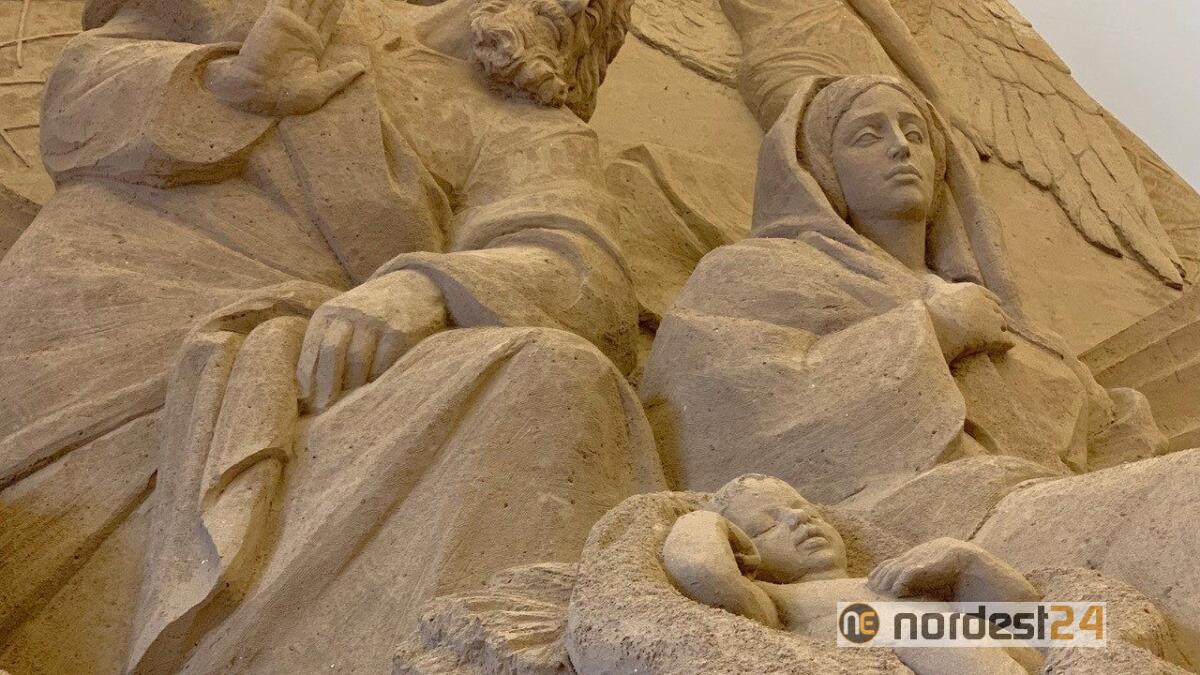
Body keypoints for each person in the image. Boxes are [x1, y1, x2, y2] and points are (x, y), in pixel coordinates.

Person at [0, 0, 667, 671]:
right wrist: (241, 81)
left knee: (556, 375)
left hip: (308, 374)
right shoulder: (303, 10)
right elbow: (75, 103)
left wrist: (426, 288)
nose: (570, 9)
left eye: (590, 14)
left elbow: (584, 273)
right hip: (102, 305)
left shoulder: (533, 130)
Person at [640, 75, 1162, 504]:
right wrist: (937, 329)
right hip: (934, 519)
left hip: (1068, 511)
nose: (900, 147)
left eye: (915, 133)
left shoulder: (1010, 324)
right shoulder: (754, 272)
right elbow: (716, 421)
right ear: (821, 166)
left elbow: (1109, 426)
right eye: (868, 136)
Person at [663, 474, 1040, 674]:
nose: (799, 518)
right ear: (744, 554)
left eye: (807, 510)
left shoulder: (900, 577)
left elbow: (1040, 623)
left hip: (1016, 655)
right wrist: (702, 517)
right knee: (915, 627)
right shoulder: (775, 600)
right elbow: (701, 569)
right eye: (766, 524)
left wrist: (967, 560)